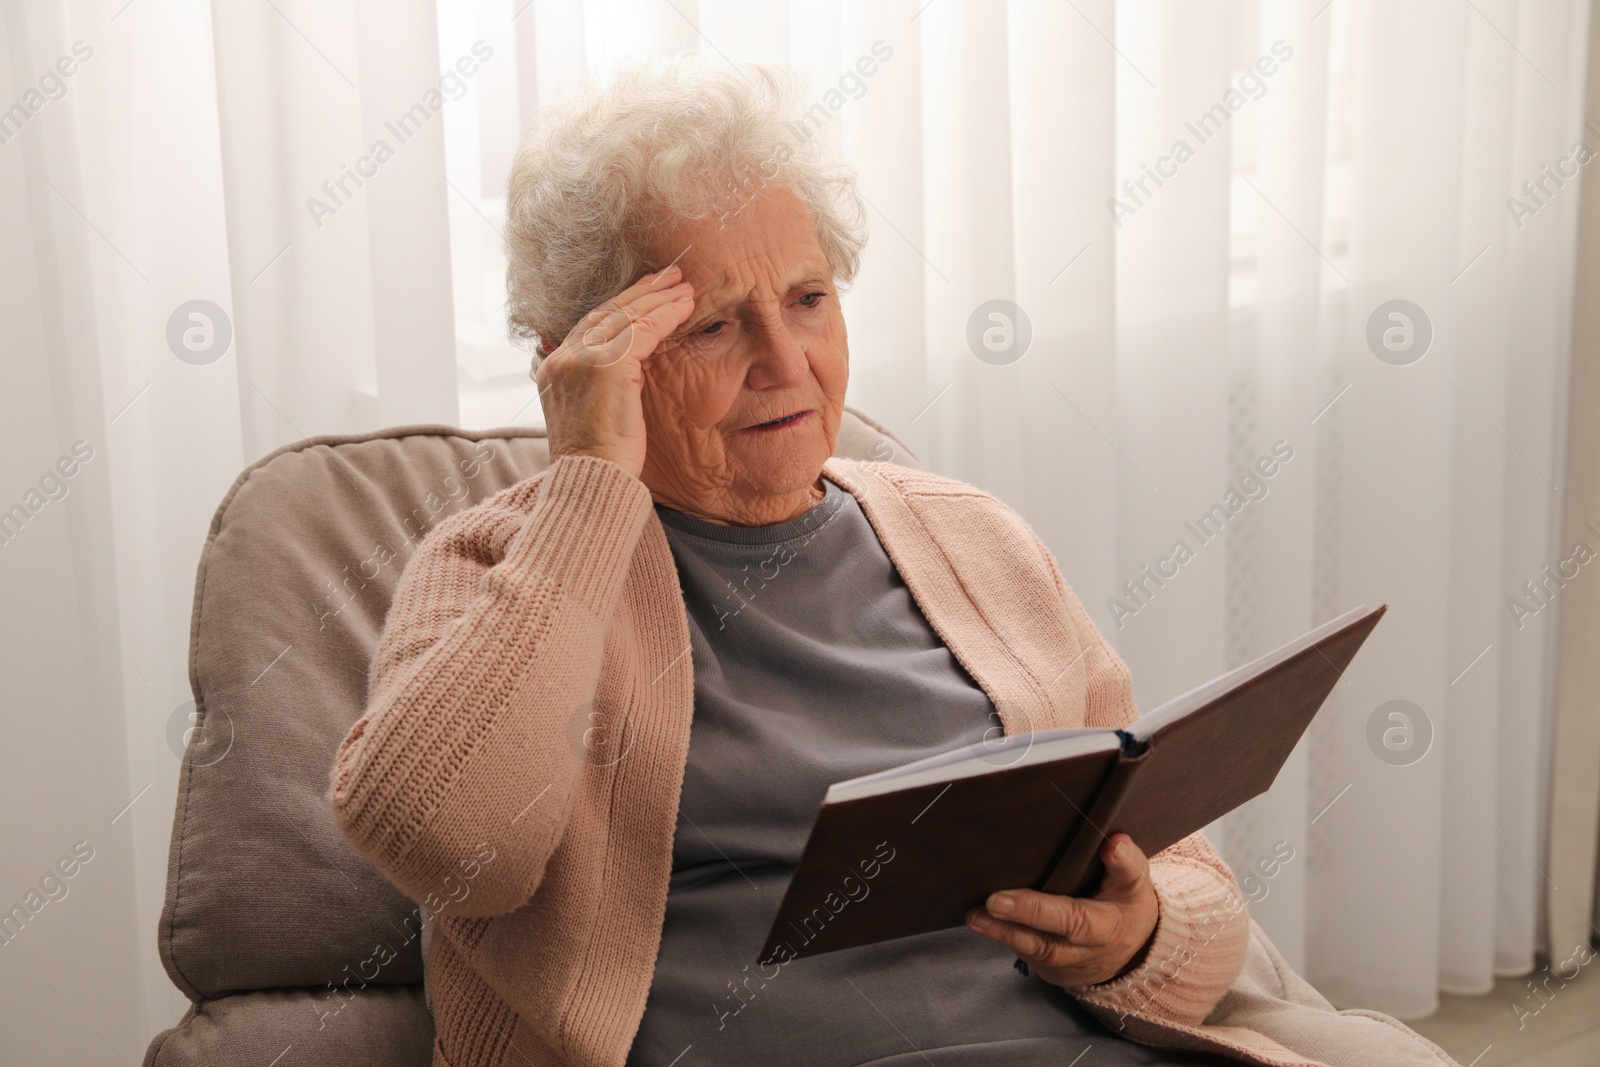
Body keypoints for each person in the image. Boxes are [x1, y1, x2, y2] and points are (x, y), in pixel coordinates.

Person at [330, 57, 1256, 1066]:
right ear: (579, 356)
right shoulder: (493, 563)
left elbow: (1179, 865)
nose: (785, 362)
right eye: (714, 324)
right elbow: (452, 849)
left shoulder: (973, 537)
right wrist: (588, 485)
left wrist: (1138, 932)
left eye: (808, 298)